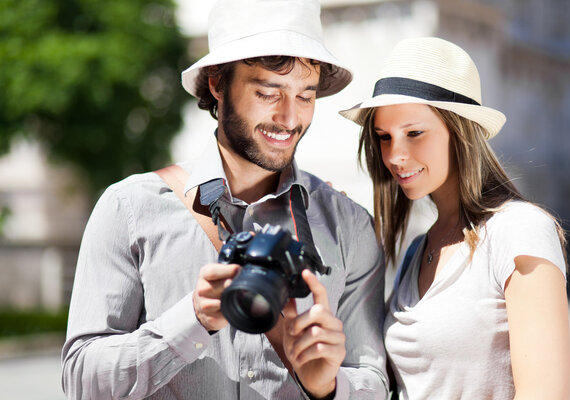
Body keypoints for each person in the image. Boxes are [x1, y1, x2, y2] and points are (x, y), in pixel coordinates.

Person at [61, 1, 389, 399]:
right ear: (217, 82)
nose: (290, 119)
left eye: (305, 96)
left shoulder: (349, 226)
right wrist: (192, 319)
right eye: (269, 92)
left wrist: (329, 385)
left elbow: (372, 381)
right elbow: (81, 381)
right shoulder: (128, 209)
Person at [339, 37, 570, 399]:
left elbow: (544, 393)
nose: (395, 155)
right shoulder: (416, 251)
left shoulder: (521, 230)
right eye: (384, 137)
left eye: (414, 133)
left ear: (459, 131)